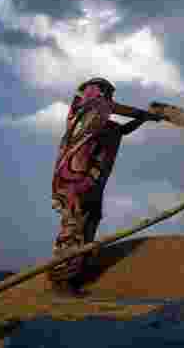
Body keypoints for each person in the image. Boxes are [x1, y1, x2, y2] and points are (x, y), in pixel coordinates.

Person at [48, 77, 157, 296]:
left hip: (91, 186)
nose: (108, 99)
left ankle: (76, 279)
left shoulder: (100, 123)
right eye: (106, 94)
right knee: (72, 232)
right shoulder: (81, 116)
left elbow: (121, 131)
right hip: (73, 185)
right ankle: (61, 282)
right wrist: (145, 114)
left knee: (86, 230)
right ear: (94, 93)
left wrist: (144, 119)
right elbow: (113, 109)